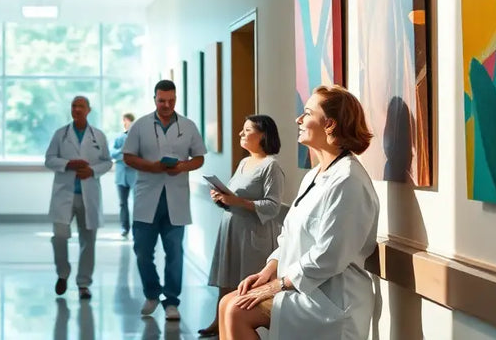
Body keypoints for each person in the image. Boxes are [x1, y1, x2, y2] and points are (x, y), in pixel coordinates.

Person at [218, 85, 379, 340]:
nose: (298, 119)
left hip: (330, 298)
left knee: (237, 311)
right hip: (304, 286)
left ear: (329, 124)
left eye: (307, 113)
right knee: (227, 303)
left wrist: (277, 285)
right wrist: (267, 271)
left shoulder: (348, 180)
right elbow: (290, 236)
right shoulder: (316, 175)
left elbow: (329, 256)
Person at [122, 79, 206, 322]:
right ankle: (152, 293)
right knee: (142, 252)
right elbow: (128, 157)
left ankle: (171, 301)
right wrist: (152, 167)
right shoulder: (140, 125)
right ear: (154, 99)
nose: (166, 105)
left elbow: (199, 157)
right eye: (162, 101)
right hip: (147, 197)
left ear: (176, 99)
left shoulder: (188, 126)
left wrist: (182, 167)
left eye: (171, 100)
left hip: (175, 199)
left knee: (175, 253)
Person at [197, 115, 285, 337]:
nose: (241, 134)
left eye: (247, 130)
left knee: (247, 281)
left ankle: (242, 323)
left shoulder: (271, 166)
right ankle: (220, 321)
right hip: (233, 229)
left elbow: (273, 206)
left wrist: (237, 201)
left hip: (254, 233)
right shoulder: (245, 162)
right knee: (227, 278)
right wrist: (223, 198)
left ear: (263, 135)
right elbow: (235, 195)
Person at [44, 96, 112, 299]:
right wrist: (67, 164)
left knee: (88, 241)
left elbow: (107, 162)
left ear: (88, 110)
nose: (77, 109)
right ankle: (62, 274)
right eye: (74, 106)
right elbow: (49, 160)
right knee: (60, 237)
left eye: (81, 106)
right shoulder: (60, 134)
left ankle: (84, 284)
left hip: (88, 195)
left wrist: (91, 171)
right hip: (64, 194)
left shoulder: (98, 136)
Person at [111, 112, 137, 238]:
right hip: (121, 177)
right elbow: (112, 153)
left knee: (137, 203)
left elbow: (138, 155)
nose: (127, 124)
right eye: (126, 121)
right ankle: (124, 228)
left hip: (135, 175)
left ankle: (137, 227)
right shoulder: (118, 138)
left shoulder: (138, 138)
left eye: (129, 121)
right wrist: (124, 154)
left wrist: (124, 156)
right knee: (123, 203)